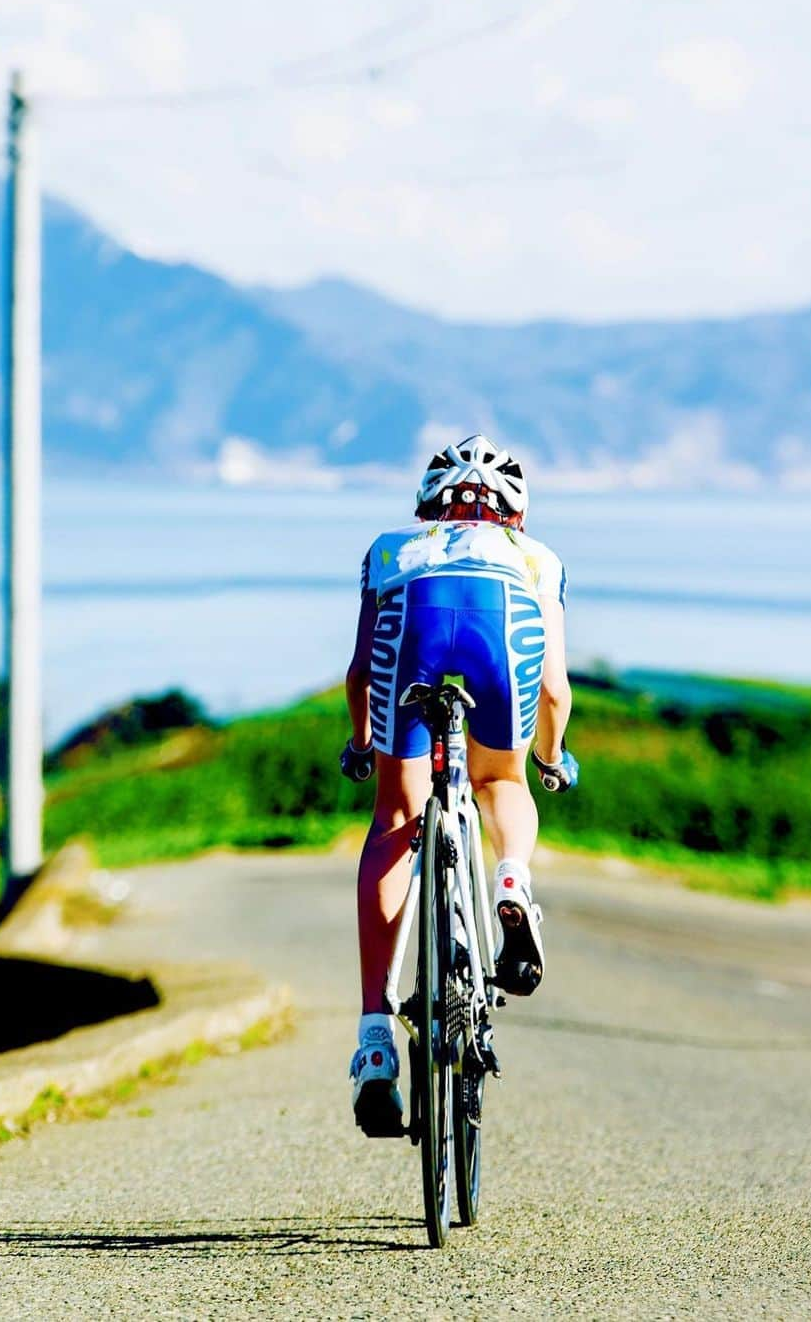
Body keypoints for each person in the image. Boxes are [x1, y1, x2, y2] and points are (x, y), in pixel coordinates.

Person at [340, 434, 579, 1135]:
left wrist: (360, 744)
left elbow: (359, 673)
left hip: (412, 618)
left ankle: (377, 1038)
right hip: (503, 620)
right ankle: (510, 880)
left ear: (427, 502)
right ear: (517, 509)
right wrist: (551, 759)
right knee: (500, 780)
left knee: (395, 819)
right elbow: (557, 690)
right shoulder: (538, 558)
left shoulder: (391, 549)